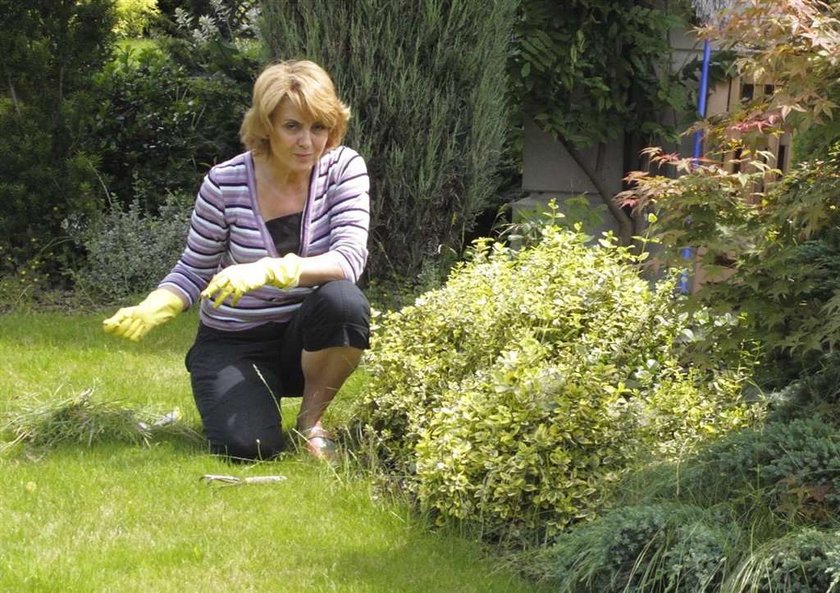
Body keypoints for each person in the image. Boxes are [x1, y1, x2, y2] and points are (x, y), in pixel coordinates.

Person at [103, 60, 371, 462]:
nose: (307, 142)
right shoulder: (223, 182)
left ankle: (311, 423)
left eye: (319, 128)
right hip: (235, 339)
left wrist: (270, 269)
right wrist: (158, 303)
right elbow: (195, 268)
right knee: (250, 448)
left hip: (305, 336)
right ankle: (229, 384)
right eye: (292, 126)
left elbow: (348, 259)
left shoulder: (343, 168)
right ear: (266, 126)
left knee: (344, 302)